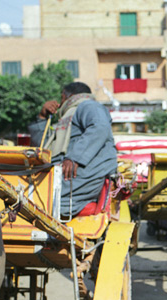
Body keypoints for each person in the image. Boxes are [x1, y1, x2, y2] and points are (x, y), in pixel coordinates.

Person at [33, 82, 118, 218]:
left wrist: (74, 157)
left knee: (33, 201)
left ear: (69, 96)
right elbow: (42, 148)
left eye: (61, 98)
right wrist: (42, 118)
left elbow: (100, 127)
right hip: (62, 176)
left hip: (78, 178)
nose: (60, 104)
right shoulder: (66, 120)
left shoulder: (88, 105)